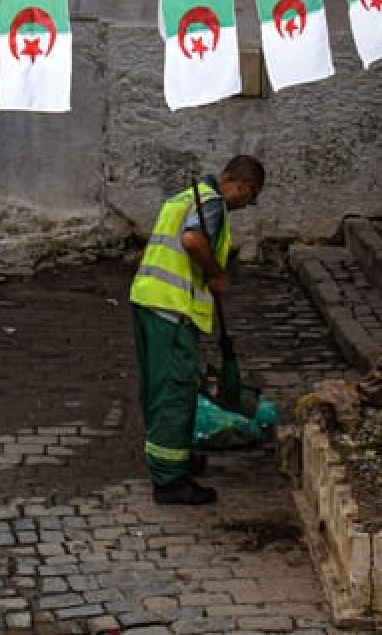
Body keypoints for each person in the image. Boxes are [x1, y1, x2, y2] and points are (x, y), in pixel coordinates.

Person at [128, 155, 265, 505]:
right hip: (173, 310)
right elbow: (192, 241)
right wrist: (216, 273)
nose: (245, 205)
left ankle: (172, 455)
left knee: (157, 388)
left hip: (148, 300)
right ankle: (170, 481)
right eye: (250, 199)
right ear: (243, 186)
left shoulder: (184, 198)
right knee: (175, 391)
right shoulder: (212, 204)